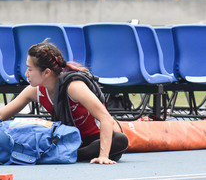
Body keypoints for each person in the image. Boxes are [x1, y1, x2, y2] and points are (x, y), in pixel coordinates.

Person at [0, 40, 128, 163]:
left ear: (46, 72)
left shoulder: (74, 87)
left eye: (30, 69)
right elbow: (2, 115)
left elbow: (106, 118)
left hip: (92, 139)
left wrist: (103, 156)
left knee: (120, 140)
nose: (26, 73)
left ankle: (69, 154)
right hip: (66, 139)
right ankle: (64, 154)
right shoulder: (34, 91)